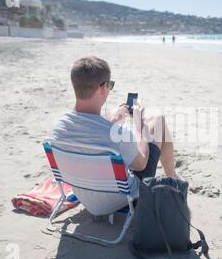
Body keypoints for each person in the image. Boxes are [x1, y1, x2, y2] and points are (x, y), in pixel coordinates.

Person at [51, 56, 177, 214]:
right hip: (121, 199)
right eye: (110, 85)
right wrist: (138, 124)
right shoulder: (116, 134)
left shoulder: (58, 126)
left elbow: (90, 132)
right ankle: (173, 178)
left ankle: (173, 177)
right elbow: (141, 164)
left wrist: (111, 121)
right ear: (103, 88)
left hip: (85, 196)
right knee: (157, 118)